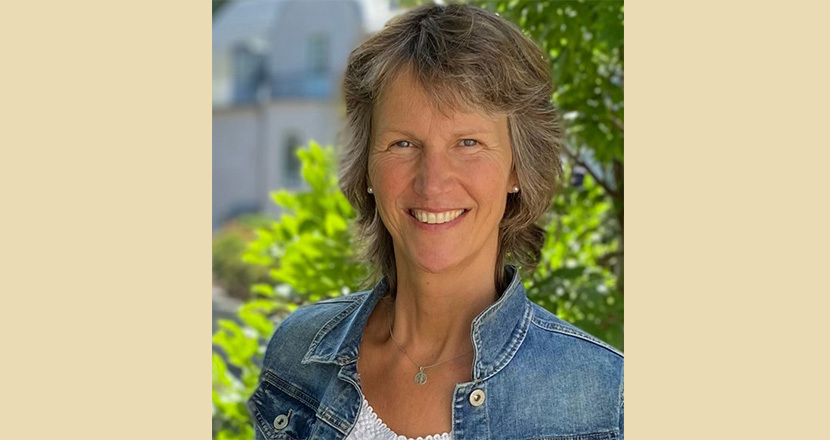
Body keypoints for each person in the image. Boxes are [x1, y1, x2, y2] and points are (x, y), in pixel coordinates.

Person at [247, 3, 623, 440]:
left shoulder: (603, 400)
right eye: (404, 144)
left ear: (517, 169)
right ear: (367, 167)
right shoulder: (298, 356)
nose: (433, 182)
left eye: (468, 142)